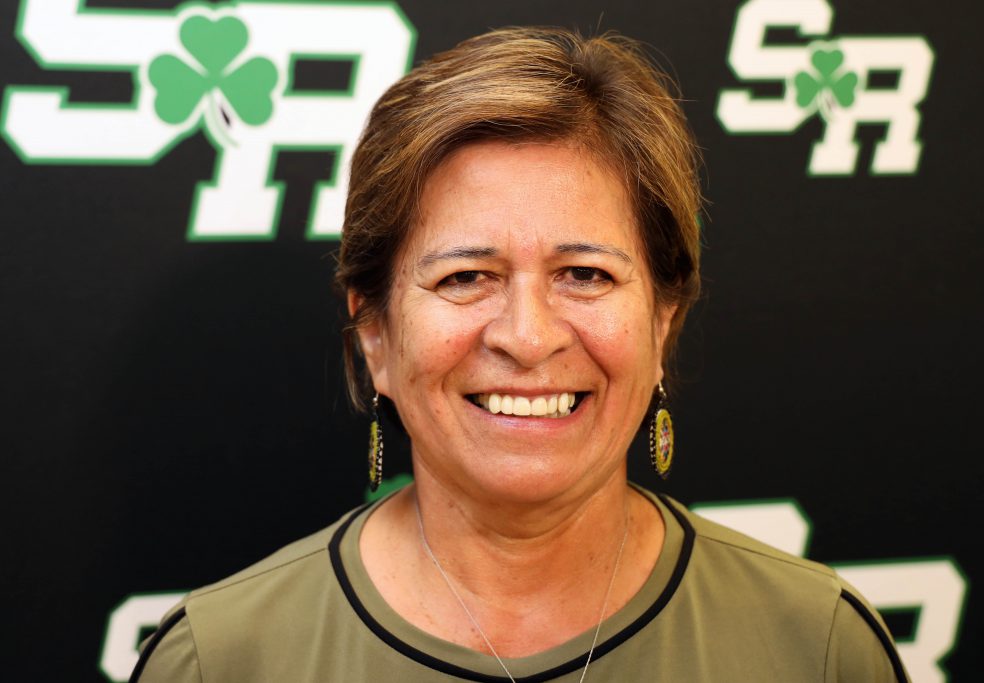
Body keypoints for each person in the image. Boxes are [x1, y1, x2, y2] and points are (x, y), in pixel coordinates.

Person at [132, 27, 909, 683]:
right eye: (466, 276)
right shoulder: (221, 658)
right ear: (374, 333)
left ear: (663, 321)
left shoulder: (818, 646)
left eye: (586, 274)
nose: (529, 336)